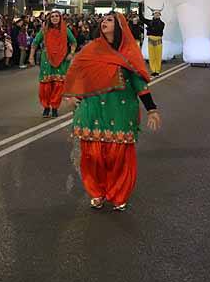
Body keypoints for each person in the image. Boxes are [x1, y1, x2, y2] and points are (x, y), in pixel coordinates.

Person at [63, 13, 161, 211]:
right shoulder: (91, 49)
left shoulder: (128, 52)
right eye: (104, 20)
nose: (104, 22)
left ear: (119, 26)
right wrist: (72, 95)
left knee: (118, 157)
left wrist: (151, 109)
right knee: (92, 156)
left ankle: (118, 194)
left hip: (121, 109)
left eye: (109, 20)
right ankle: (97, 193)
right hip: (92, 108)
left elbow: (139, 83)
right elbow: (79, 74)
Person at [29, 10, 77, 117]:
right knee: (45, 86)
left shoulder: (66, 30)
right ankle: (46, 107)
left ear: (60, 18)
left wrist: (71, 53)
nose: (55, 18)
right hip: (47, 60)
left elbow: (73, 42)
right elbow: (35, 43)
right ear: (49, 19)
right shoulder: (44, 31)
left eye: (57, 16)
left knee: (58, 85)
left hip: (62, 60)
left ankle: (55, 108)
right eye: (52, 16)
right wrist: (31, 56)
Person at [142, 9, 165, 76]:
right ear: (153, 14)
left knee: (158, 56)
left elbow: (158, 30)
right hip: (151, 41)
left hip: (158, 41)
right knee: (151, 57)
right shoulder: (149, 22)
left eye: (158, 13)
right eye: (155, 13)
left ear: (160, 15)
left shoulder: (162, 23)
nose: (157, 14)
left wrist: (149, 29)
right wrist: (140, 5)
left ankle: (157, 71)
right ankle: (153, 71)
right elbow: (141, 18)